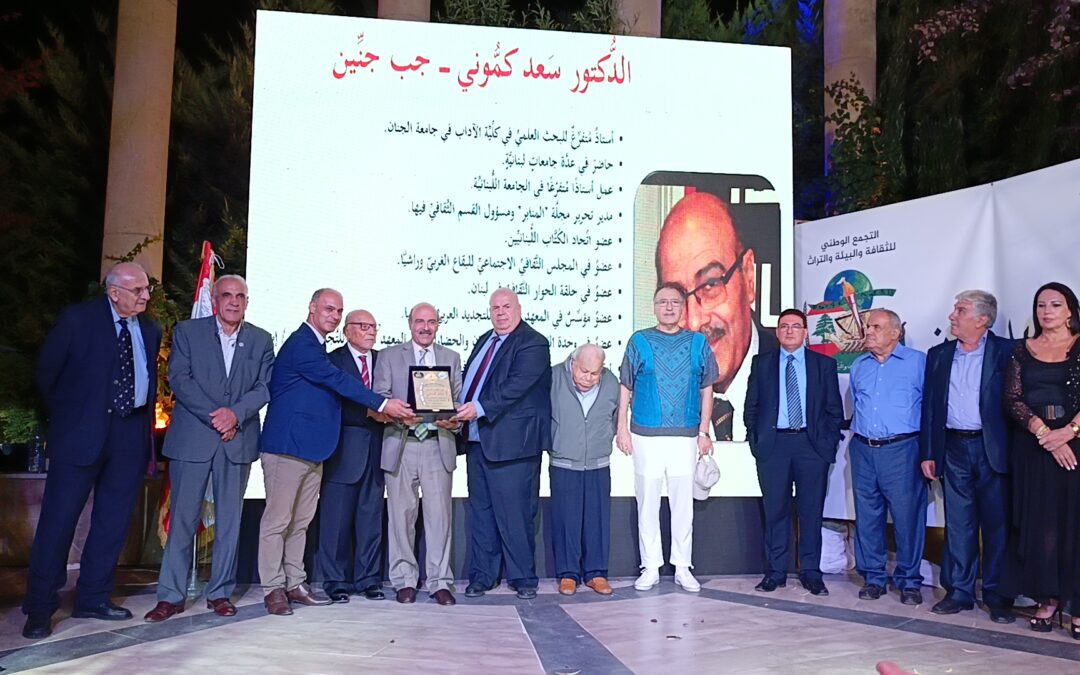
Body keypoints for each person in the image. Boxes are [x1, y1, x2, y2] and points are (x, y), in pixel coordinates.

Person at [22, 262, 163, 639]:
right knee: (58, 522)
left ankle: (94, 597)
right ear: (114, 292)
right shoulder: (78, 320)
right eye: (138, 290)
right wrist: (72, 418)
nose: (146, 296)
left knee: (112, 522)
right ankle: (39, 607)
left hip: (129, 435)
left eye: (147, 289)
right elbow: (47, 374)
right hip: (79, 435)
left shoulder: (150, 329)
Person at [257, 289, 411, 616]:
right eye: (329, 309)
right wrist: (383, 403)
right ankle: (273, 588)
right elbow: (337, 380)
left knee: (300, 522)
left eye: (338, 310)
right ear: (312, 308)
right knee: (278, 521)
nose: (334, 315)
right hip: (287, 447)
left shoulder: (318, 346)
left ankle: (295, 582)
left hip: (312, 450)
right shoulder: (302, 344)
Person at [144, 275, 274, 623]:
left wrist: (236, 415)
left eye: (240, 296)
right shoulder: (188, 332)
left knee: (230, 522)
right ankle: (170, 596)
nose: (234, 302)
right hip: (194, 439)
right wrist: (217, 417)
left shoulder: (261, 339)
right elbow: (179, 378)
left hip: (237, 440)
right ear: (214, 300)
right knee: (182, 521)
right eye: (227, 295)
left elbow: (264, 387)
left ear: (247, 302)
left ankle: (220, 592)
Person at [919, 291, 1015, 623]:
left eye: (960, 311)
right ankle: (959, 592)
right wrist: (929, 452)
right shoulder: (940, 354)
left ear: (982, 319)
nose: (952, 316)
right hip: (953, 447)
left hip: (993, 450)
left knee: (998, 525)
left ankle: (998, 595)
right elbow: (930, 407)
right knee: (958, 524)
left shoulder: (1007, 351)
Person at [618, 283, 717, 593]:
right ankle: (650, 567)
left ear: (683, 307)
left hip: (685, 436)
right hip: (645, 434)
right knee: (647, 502)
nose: (669, 307)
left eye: (675, 302)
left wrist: (703, 431)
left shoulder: (698, 343)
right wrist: (621, 427)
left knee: (682, 505)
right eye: (662, 302)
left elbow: (707, 389)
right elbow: (625, 386)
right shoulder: (639, 341)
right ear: (654, 307)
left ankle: (682, 567)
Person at [453, 288, 551, 600]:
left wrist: (478, 408)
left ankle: (523, 578)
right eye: (495, 307)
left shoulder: (533, 342)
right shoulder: (485, 339)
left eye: (506, 306)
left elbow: (515, 386)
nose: (500, 312)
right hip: (477, 441)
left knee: (515, 515)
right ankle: (483, 576)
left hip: (513, 446)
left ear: (519, 308)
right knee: (481, 514)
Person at [655, 191, 776, 442]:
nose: (694, 321)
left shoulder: (791, 372)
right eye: (676, 297)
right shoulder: (657, 386)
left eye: (710, 285)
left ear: (748, 276)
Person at [744, 308, 843, 596]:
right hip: (774, 446)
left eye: (796, 326)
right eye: (784, 326)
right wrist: (757, 440)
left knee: (811, 511)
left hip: (811, 446)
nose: (789, 331)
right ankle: (775, 572)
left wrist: (826, 444)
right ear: (777, 332)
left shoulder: (823, 365)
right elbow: (752, 407)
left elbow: (834, 410)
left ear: (805, 332)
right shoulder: (762, 364)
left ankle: (811, 573)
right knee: (775, 511)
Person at [1003, 282, 1080, 638]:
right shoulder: (1022, 349)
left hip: (1075, 447)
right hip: (1034, 448)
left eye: (1055, 305)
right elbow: (1012, 399)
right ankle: (1047, 600)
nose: (1046, 311)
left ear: (1070, 310)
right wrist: (1045, 434)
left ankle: (1077, 605)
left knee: (1075, 524)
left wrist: (1069, 432)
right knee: (1041, 525)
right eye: (1040, 305)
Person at [373, 302, 462, 606]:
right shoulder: (388, 356)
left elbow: (458, 400)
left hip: (438, 442)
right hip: (402, 441)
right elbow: (379, 398)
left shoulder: (451, 357)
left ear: (438, 325)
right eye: (419, 321)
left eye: (431, 322)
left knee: (440, 518)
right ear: (410, 324)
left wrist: (454, 420)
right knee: (401, 516)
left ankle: (440, 582)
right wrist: (397, 413)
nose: (425, 327)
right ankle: (404, 580)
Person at [848, 309, 927, 605]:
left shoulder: (918, 363)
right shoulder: (859, 366)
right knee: (868, 516)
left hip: (902, 450)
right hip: (863, 449)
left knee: (908, 519)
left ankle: (909, 582)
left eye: (876, 327)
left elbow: (931, 408)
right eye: (868, 326)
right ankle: (874, 578)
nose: (868, 331)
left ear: (895, 333)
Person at [315, 309, 389, 603]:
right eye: (363, 326)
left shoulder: (384, 360)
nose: (370, 331)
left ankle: (369, 579)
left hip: (378, 450)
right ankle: (335, 580)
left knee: (371, 520)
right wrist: (369, 411)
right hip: (343, 451)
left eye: (373, 326)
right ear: (347, 331)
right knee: (336, 521)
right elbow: (330, 404)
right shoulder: (333, 361)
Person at [549, 344, 619, 596]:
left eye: (595, 373)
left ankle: (596, 573)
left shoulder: (612, 382)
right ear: (573, 363)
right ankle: (568, 574)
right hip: (564, 461)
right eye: (584, 372)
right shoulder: (553, 377)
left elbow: (615, 418)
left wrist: (604, 440)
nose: (588, 378)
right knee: (566, 520)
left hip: (598, 462)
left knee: (597, 521)